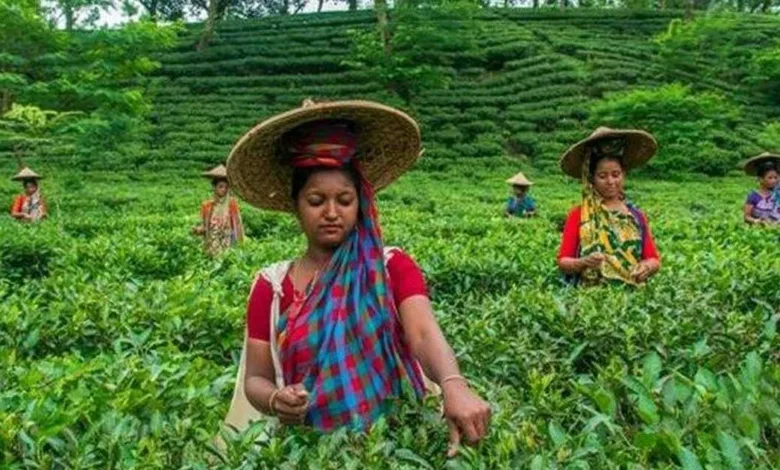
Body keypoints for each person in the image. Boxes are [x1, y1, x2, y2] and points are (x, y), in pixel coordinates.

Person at [222, 100, 490, 456]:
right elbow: (256, 377)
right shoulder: (271, 288)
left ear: (360, 203)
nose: (332, 213)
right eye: (316, 200)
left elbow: (423, 332)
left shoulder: (391, 266)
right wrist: (275, 399)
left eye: (345, 200)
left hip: (396, 442)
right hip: (310, 451)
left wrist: (453, 384)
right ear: (295, 205)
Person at [557, 127, 661, 286]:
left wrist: (646, 267)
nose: (611, 182)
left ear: (623, 174)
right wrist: (583, 262)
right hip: (591, 302)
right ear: (591, 179)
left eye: (616, 174)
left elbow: (653, 259)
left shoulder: (636, 216)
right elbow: (563, 261)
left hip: (633, 299)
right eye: (602, 176)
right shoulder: (579, 214)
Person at [192, 164, 245, 256]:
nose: (223, 190)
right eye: (220, 186)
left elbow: (237, 224)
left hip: (228, 241)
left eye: (226, 187)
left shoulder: (232, 204)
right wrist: (198, 230)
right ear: (214, 187)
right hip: (212, 242)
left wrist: (240, 243)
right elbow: (205, 226)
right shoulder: (207, 205)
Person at [742, 152, 780, 225]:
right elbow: (746, 216)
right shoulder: (753, 196)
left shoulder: (777, 193)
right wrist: (756, 221)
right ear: (760, 179)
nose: (774, 180)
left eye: (775, 177)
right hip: (759, 231)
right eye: (770, 178)